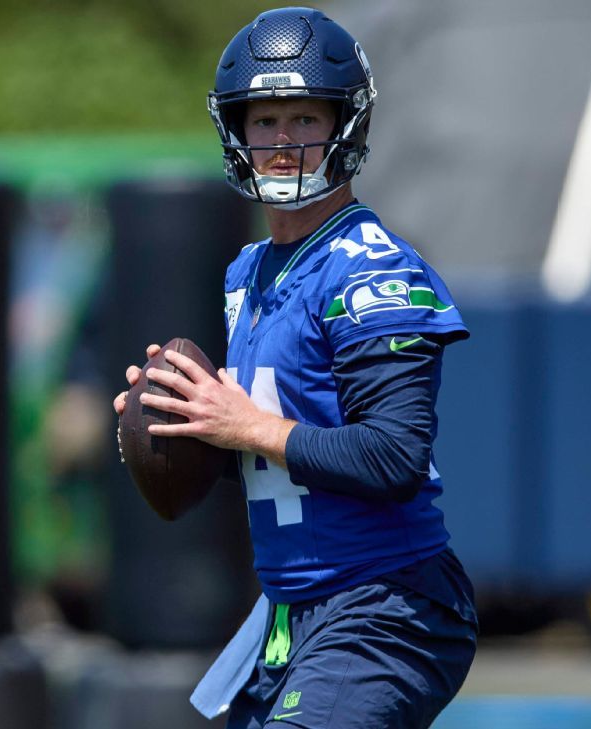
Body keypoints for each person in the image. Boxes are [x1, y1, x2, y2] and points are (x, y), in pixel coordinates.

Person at [112, 7, 477, 728]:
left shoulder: (372, 271)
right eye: (265, 120)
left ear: (347, 124)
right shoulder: (248, 272)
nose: (283, 143)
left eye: (305, 118)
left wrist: (245, 425)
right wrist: (182, 426)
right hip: (289, 610)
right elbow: (279, 456)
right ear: (236, 131)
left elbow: (394, 456)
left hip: (385, 601)